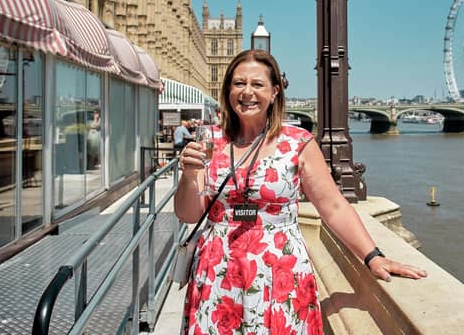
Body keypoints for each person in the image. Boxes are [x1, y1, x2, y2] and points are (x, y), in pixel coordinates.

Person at [175, 49, 427, 334]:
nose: (247, 92)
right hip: (218, 268)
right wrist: (188, 175)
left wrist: (373, 256)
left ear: (274, 92)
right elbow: (188, 213)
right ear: (228, 90)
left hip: (279, 268)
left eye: (257, 84)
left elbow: (333, 207)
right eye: (238, 83)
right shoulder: (209, 139)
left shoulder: (298, 143)